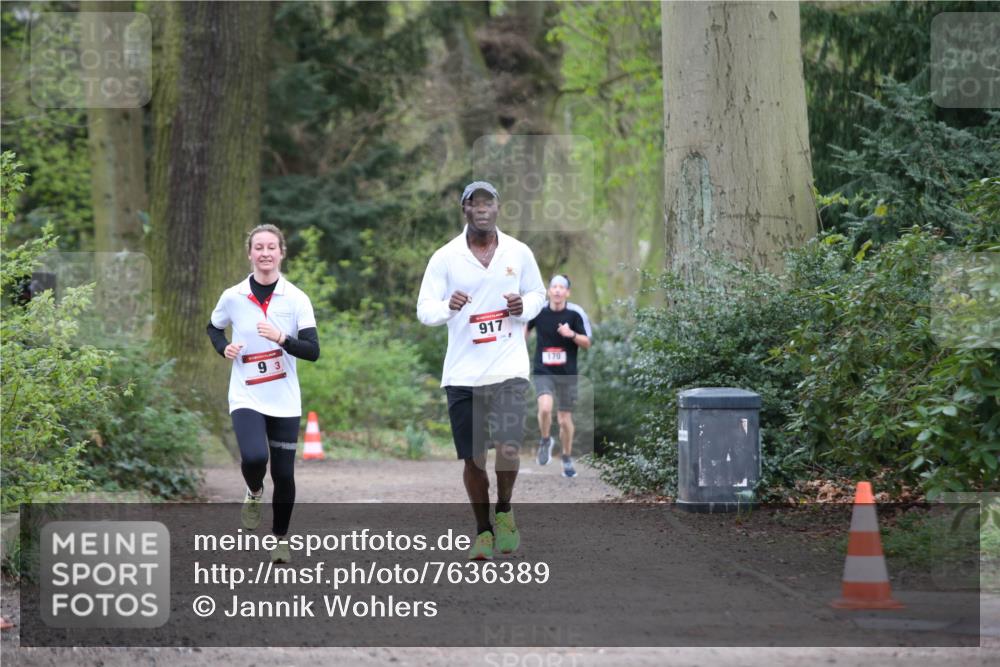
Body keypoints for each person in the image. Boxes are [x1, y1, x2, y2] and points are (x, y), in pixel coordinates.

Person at [417, 181, 545, 560]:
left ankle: (504, 510)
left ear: (498, 209)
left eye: (490, 204)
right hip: (463, 374)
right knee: (473, 458)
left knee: (507, 447)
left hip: (508, 366)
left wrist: (524, 305)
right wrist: (448, 308)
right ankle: (483, 530)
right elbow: (425, 309)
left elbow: (538, 294)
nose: (484, 210)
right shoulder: (445, 257)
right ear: (466, 210)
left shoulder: (518, 252)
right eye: (476, 204)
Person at [206, 224, 320, 564]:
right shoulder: (233, 296)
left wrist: (282, 338)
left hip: (284, 399)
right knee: (255, 458)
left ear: (282, 252)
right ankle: (254, 491)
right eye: (259, 247)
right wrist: (223, 347)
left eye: (272, 247)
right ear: (250, 253)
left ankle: (280, 539)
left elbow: (313, 350)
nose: (265, 253)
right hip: (246, 395)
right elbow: (213, 326)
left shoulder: (297, 298)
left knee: (284, 475)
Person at [527, 275, 592, 477]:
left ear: (567, 292)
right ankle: (546, 440)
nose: (557, 290)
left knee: (564, 420)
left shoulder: (575, 313)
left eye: (561, 287)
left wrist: (571, 334)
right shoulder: (538, 311)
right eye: (553, 286)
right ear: (548, 291)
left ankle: (566, 457)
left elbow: (587, 342)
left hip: (567, 373)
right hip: (543, 370)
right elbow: (522, 333)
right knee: (545, 408)